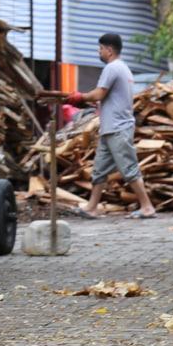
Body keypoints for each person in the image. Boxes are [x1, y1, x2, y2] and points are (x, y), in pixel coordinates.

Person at [66, 33, 158, 219]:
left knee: (129, 168)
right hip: (110, 127)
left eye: (100, 48)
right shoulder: (122, 68)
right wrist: (86, 100)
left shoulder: (112, 68)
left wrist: (80, 97)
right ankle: (91, 207)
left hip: (118, 127)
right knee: (100, 169)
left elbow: (99, 94)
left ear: (109, 50)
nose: (99, 52)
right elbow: (107, 98)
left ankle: (147, 207)